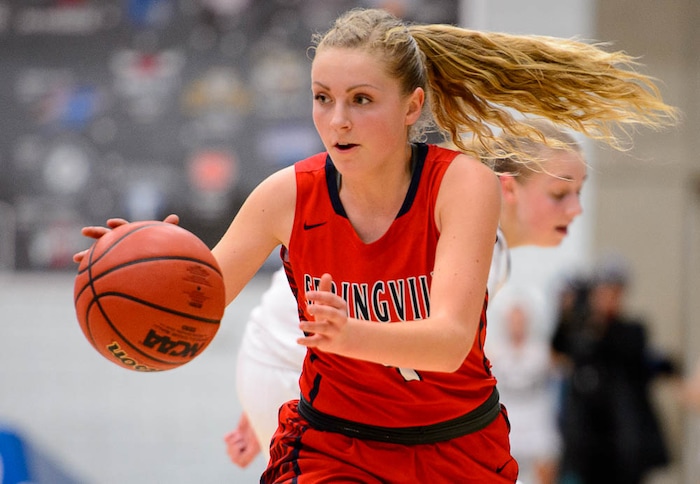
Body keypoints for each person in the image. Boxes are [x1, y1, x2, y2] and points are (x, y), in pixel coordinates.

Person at [76, 8, 678, 482]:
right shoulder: (285, 195)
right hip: (336, 442)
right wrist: (131, 267)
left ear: (412, 105)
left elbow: (447, 344)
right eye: (322, 98)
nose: (337, 119)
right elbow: (200, 298)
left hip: (455, 446)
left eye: (361, 100)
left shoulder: (460, 182)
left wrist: (351, 336)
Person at [226, 118, 588, 467]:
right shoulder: (474, 240)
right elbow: (418, 355)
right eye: (559, 194)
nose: (576, 209)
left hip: (293, 366)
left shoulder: (479, 236)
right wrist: (273, 391)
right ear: (507, 188)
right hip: (302, 373)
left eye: (578, 192)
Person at [551, 255, 673, 484]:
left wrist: (596, 323)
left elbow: (620, 348)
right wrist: (568, 312)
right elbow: (560, 346)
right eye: (603, 292)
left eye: (614, 293)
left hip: (623, 439)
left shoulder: (632, 330)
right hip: (587, 441)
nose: (608, 299)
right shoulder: (581, 330)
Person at [487, 297, 562, 484]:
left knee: (546, 459)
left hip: (536, 418)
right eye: (513, 320)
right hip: (507, 418)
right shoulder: (494, 352)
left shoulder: (542, 351)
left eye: (520, 320)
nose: (516, 325)